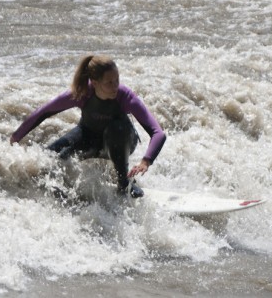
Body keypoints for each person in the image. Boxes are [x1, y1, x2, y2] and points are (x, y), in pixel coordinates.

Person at [10, 55, 166, 198]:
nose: (115, 87)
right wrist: (16, 137)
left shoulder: (125, 96)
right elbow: (43, 112)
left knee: (117, 128)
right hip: (88, 137)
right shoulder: (82, 93)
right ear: (95, 82)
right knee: (48, 158)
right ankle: (60, 193)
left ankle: (124, 183)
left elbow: (158, 133)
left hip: (121, 141)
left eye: (117, 80)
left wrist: (146, 161)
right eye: (109, 82)